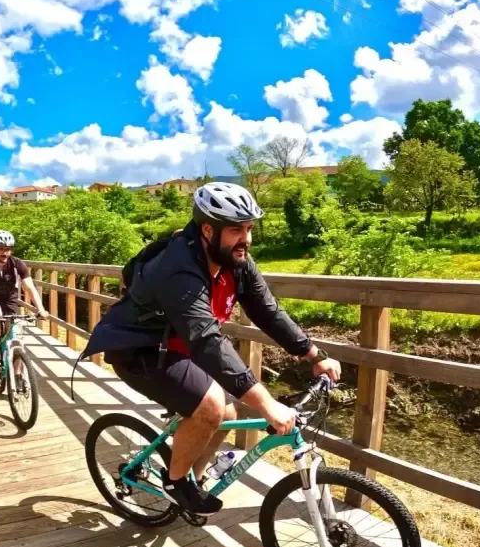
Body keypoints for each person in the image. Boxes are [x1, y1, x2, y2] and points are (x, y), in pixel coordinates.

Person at [81, 182, 341, 517]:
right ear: (207, 229)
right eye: (236, 229)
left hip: (180, 347)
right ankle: (176, 483)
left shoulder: (235, 258)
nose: (246, 238)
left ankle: (194, 478)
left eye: (249, 228)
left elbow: (267, 312)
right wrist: (268, 405)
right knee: (210, 407)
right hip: (140, 349)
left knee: (228, 414)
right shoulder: (178, 267)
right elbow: (205, 339)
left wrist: (314, 355)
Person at [0, 230, 48, 363]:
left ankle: (18, 376)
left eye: (7, 249)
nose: (4, 253)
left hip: (11, 299)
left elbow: (29, 287)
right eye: (0, 249)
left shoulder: (17, 264)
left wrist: (40, 309)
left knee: (15, 339)